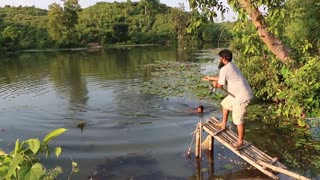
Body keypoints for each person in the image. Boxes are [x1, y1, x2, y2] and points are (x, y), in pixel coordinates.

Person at [202, 49, 253, 148]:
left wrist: (215, 84)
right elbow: (223, 77)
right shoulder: (231, 66)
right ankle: (223, 123)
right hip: (236, 95)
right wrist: (210, 78)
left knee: (238, 120)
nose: (219, 60)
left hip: (242, 97)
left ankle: (240, 141)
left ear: (224, 58)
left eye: (220, 58)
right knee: (225, 104)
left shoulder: (224, 69)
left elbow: (220, 85)